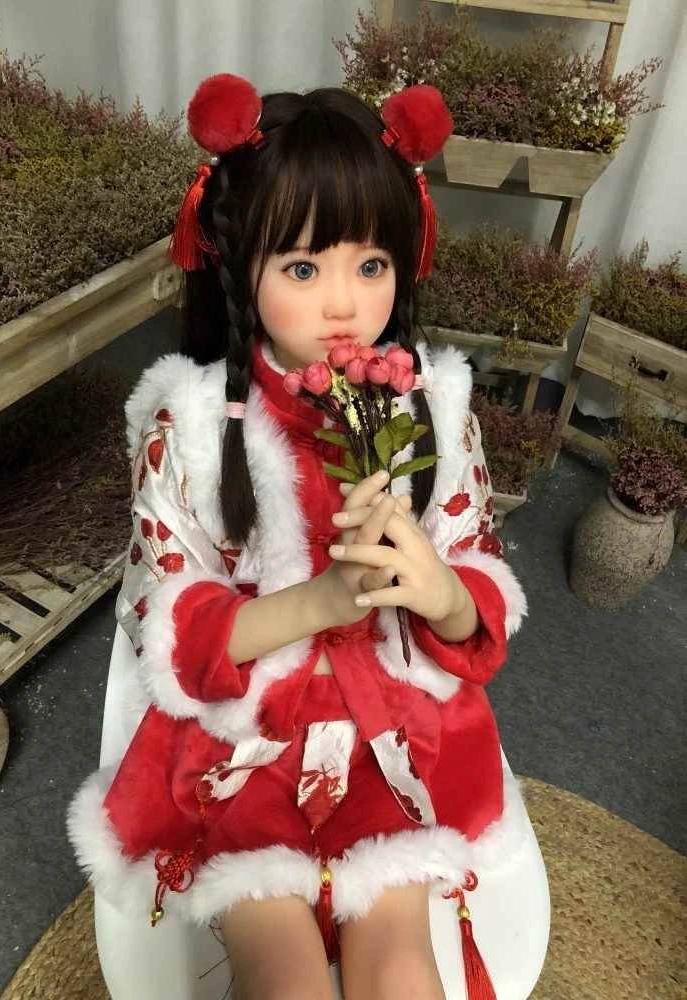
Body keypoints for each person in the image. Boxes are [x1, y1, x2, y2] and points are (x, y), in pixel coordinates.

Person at [67, 74, 531, 1000]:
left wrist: (440, 591)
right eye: (304, 268)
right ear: (243, 268)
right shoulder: (193, 425)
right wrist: (318, 602)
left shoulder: (436, 408)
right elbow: (166, 618)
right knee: (282, 977)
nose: (344, 305)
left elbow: (475, 581)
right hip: (244, 744)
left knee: (401, 967)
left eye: (372, 265)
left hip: (395, 732)